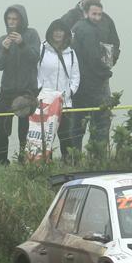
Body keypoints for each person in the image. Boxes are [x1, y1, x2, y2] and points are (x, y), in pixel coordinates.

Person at [0, 5, 40, 164]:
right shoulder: (1, 40)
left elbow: (35, 58)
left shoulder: (32, 35)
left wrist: (22, 43)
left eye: (15, 19)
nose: (12, 22)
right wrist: (5, 49)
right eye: (9, 19)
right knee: (0, 128)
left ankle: (24, 161)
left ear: (21, 20)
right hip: (7, 90)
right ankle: (0, 162)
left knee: (24, 130)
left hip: (27, 90)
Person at [71, 0, 115, 156]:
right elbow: (93, 58)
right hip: (93, 85)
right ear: (86, 13)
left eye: (99, 14)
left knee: (77, 125)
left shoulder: (76, 28)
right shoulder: (89, 31)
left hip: (78, 85)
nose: (97, 17)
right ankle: (97, 158)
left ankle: (73, 158)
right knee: (101, 122)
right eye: (94, 14)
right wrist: (106, 73)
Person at [37, 19, 79, 162]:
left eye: (61, 30)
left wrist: (69, 92)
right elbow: (35, 72)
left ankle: (67, 162)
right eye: (55, 30)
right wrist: (41, 91)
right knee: (44, 135)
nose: (58, 33)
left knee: (66, 135)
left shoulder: (71, 53)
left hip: (64, 103)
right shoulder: (41, 49)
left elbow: (75, 76)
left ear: (66, 33)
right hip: (45, 102)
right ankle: (41, 162)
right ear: (50, 32)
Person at [60, 0, 121, 66]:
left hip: (99, 74)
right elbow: (58, 41)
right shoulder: (70, 17)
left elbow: (115, 44)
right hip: (74, 71)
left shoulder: (107, 21)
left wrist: (106, 65)